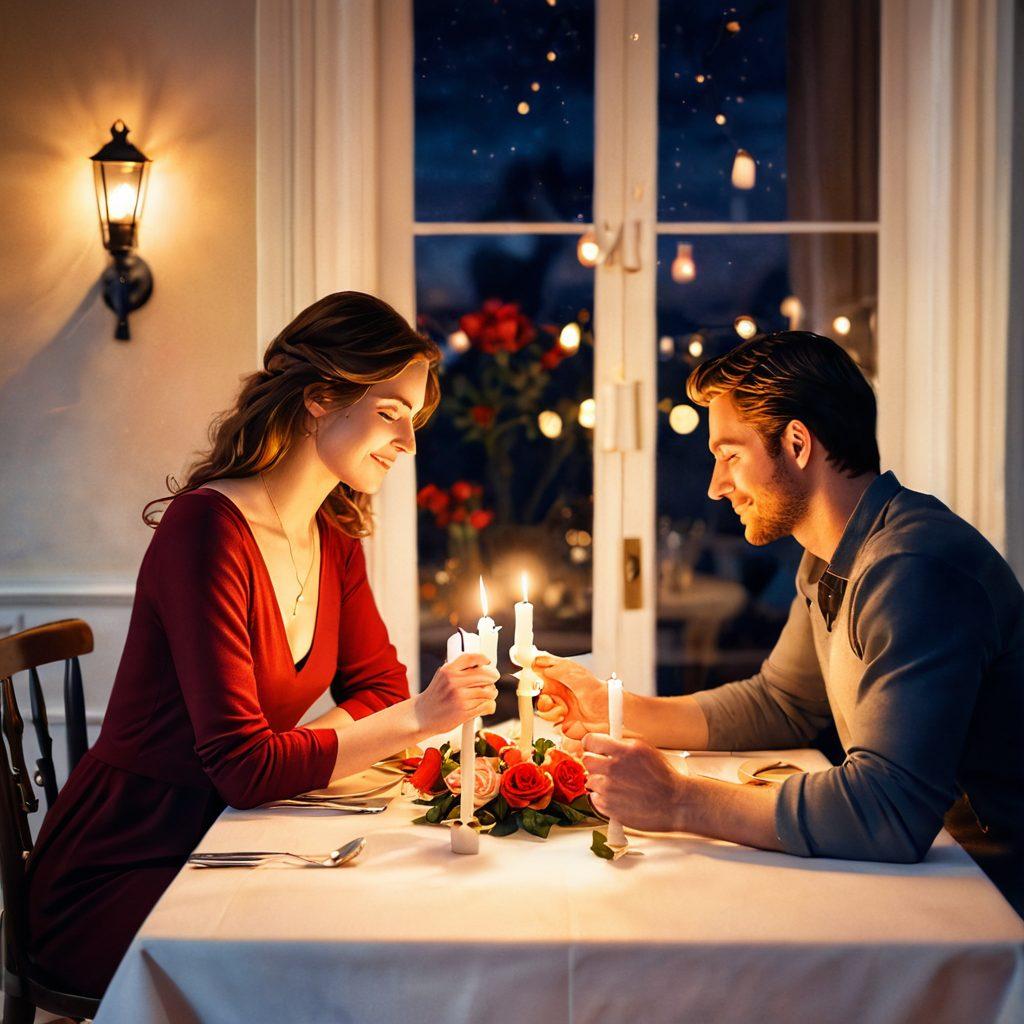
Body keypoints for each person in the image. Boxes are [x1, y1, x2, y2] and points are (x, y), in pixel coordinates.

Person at [26, 292, 499, 997]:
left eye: (415, 419)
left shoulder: (333, 532)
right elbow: (245, 769)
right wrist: (417, 722)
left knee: (388, 937)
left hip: (241, 834)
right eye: (391, 413)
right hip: (133, 861)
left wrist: (297, 758)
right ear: (318, 398)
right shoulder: (204, 531)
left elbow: (373, 688)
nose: (410, 443)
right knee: (320, 972)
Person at [536, 331, 1024, 909]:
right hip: (936, 869)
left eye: (729, 455)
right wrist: (622, 712)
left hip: (990, 888)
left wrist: (680, 802)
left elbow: (889, 811)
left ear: (796, 443)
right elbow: (783, 702)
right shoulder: (832, 552)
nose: (718, 487)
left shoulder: (912, 567)